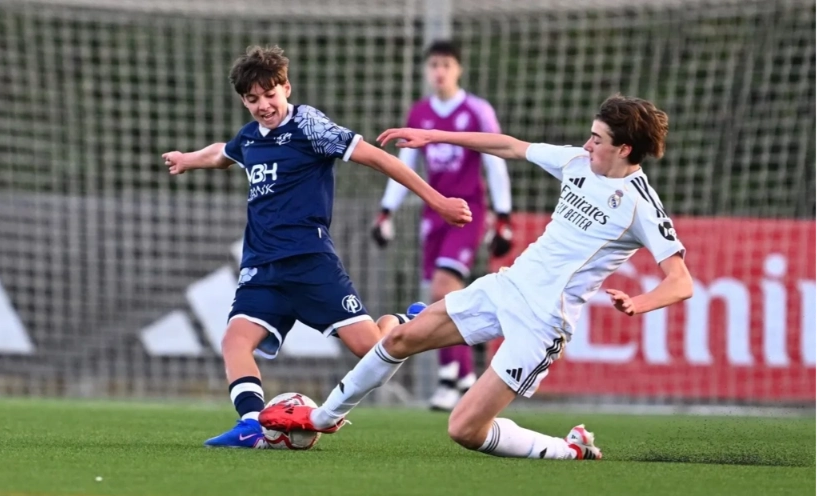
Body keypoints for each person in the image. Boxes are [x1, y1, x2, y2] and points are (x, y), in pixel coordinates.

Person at [259, 94, 694, 460]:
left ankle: (570, 450)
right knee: (399, 339)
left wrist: (639, 303)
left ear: (624, 149)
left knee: (464, 429)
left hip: (543, 322)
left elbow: (681, 281)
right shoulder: (577, 162)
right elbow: (509, 146)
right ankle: (322, 418)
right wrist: (435, 136)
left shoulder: (641, 206)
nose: (587, 143)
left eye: (597, 139)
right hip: (506, 287)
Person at [162, 44, 471, 449]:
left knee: (373, 353)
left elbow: (380, 159)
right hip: (262, 268)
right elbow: (222, 153)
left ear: (286, 88)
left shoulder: (310, 126)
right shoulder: (250, 138)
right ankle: (252, 425)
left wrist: (438, 201)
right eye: (252, 99)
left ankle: (400, 321)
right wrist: (188, 159)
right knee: (235, 340)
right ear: (243, 101)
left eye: (270, 94)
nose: (263, 105)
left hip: (310, 263)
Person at [370, 40, 514, 411]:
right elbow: (404, 167)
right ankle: (463, 376)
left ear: (458, 69)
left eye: (447, 64)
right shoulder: (419, 112)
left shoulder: (477, 110)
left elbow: (495, 161)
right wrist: (386, 211)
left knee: (443, 288)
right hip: (432, 215)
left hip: (466, 213)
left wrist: (503, 216)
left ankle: (451, 379)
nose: (440, 71)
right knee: (441, 299)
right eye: (434, 64)